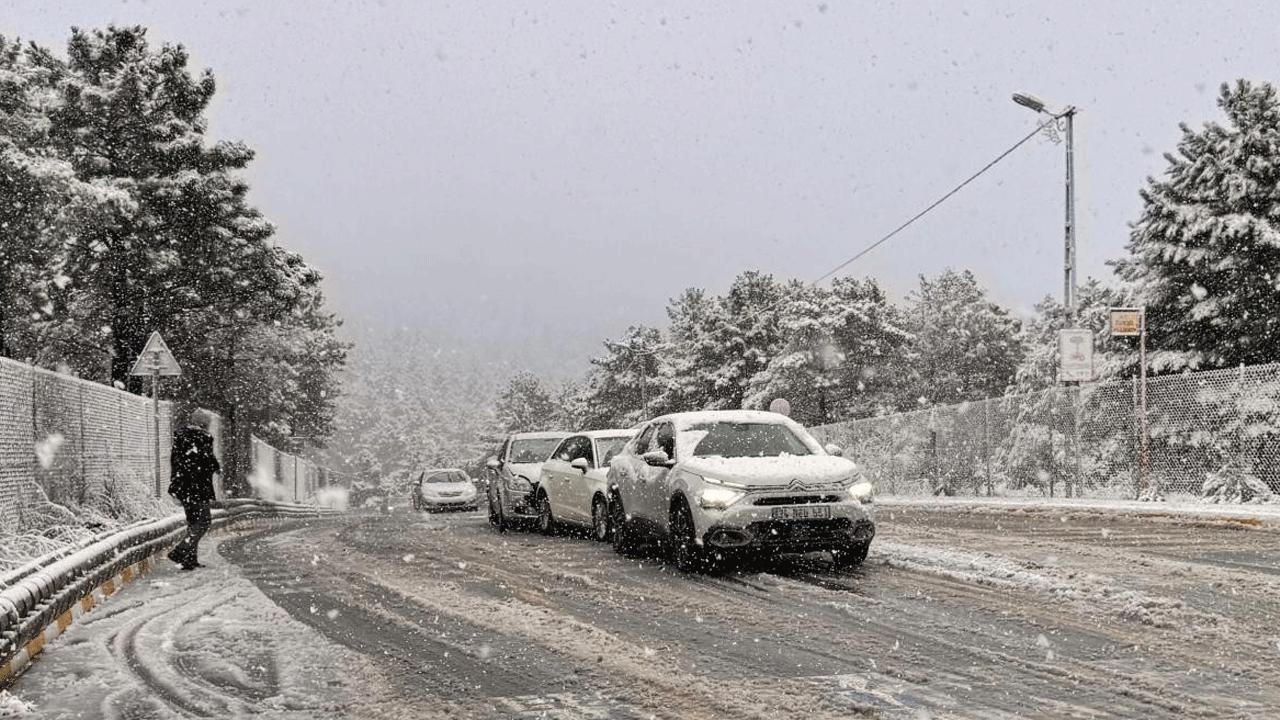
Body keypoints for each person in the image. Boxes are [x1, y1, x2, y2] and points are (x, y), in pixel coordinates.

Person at [167, 409, 221, 570]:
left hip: (183, 486)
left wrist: (176, 483)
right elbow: (206, 460)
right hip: (198, 487)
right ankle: (180, 550)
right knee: (204, 521)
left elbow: (175, 461)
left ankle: (189, 560)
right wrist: (216, 468)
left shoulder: (180, 436)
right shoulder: (204, 438)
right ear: (203, 424)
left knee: (193, 522)